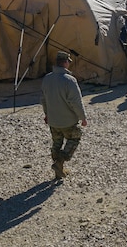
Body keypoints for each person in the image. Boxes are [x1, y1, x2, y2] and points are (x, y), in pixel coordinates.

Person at [41, 51, 88, 180]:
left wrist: (47, 114)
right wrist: (83, 117)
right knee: (74, 138)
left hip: (53, 120)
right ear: (66, 63)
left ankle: (58, 171)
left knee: (56, 142)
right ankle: (59, 163)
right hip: (68, 121)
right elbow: (76, 102)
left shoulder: (47, 78)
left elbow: (44, 99)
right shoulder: (69, 80)